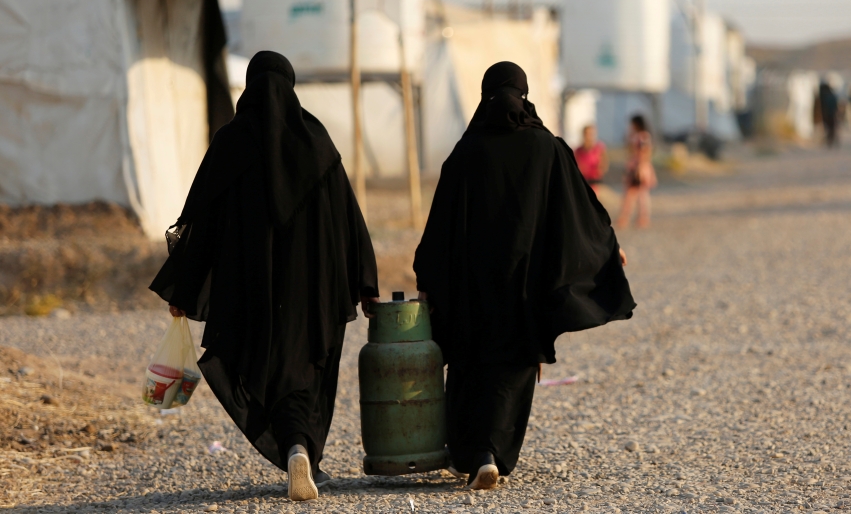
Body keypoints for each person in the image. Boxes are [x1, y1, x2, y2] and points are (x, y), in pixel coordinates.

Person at [149, 51, 379, 502]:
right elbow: (349, 220)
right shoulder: (316, 142)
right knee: (304, 374)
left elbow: (202, 222)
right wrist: (363, 284)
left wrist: (185, 287)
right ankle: (301, 449)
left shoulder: (231, 143)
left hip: (248, 293)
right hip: (313, 294)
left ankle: (295, 450)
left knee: (264, 373)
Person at [412, 61, 634, 490]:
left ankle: (475, 452)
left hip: (471, 290)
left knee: (470, 365)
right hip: (525, 287)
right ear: (524, 94)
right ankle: (493, 453)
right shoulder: (546, 148)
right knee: (511, 369)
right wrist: (608, 248)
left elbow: (439, 226)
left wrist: (429, 279)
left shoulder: (465, 151)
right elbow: (579, 212)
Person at [616, 115, 657, 229]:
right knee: (639, 194)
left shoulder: (643, 136)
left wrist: (640, 166)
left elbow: (645, 151)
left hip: (639, 167)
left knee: (634, 193)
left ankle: (631, 217)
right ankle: (640, 217)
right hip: (636, 166)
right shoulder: (637, 136)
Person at [818, 80, 839, 148]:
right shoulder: (830, 95)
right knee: (831, 128)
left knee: (829, 128)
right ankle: (830, 141)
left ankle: (830, 141)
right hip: (831, 114)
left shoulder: (824, 96)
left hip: (828, 114)